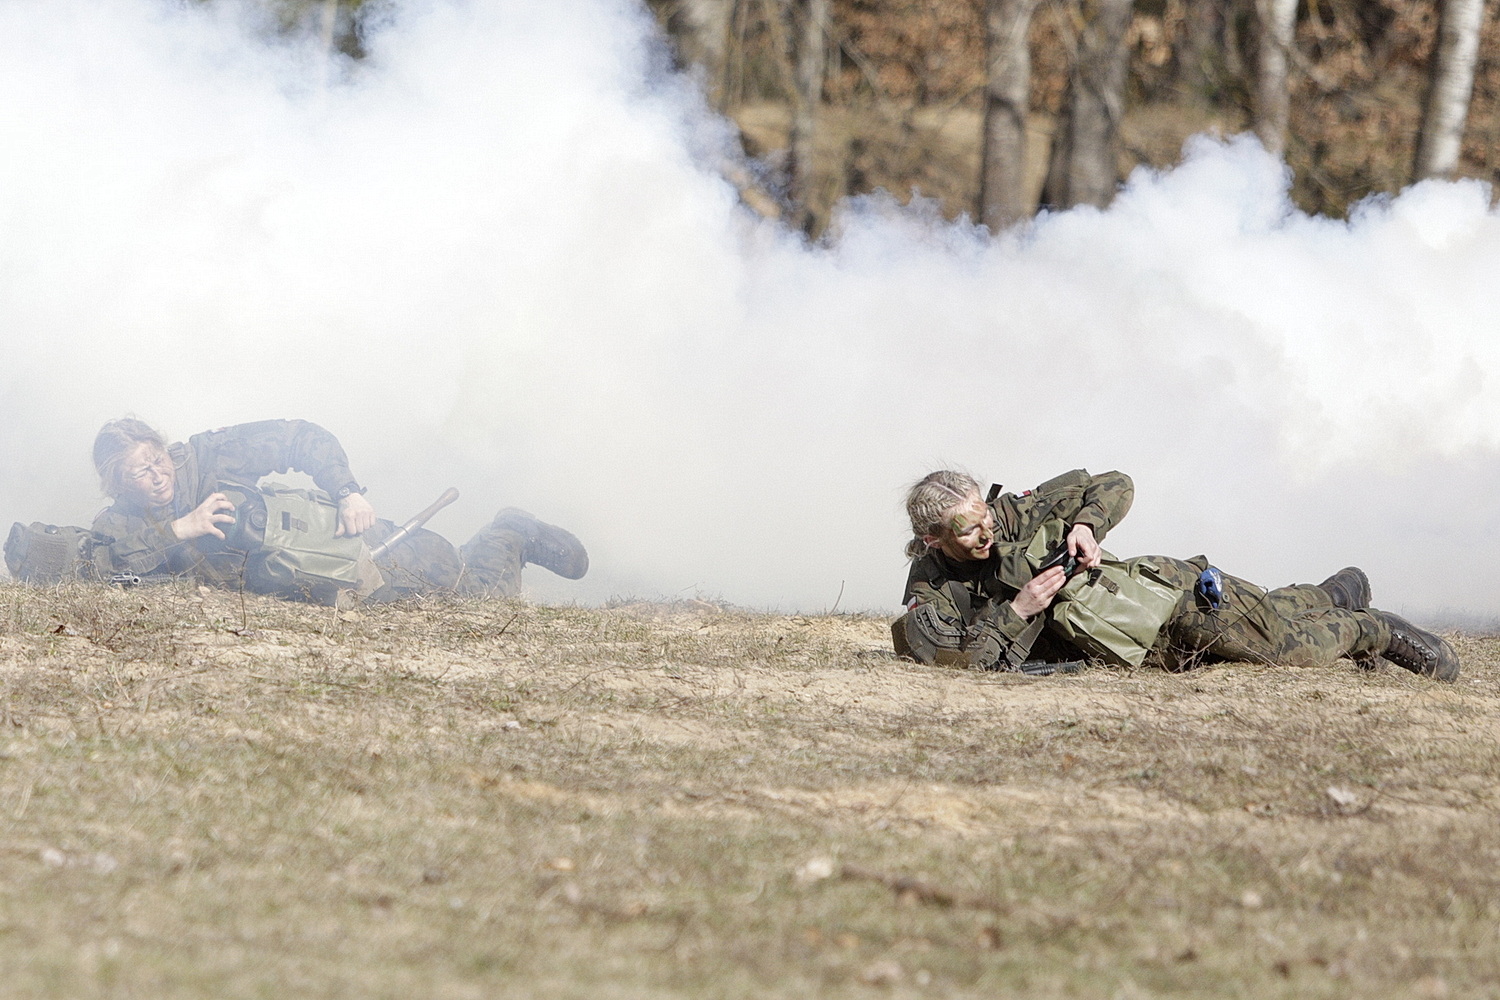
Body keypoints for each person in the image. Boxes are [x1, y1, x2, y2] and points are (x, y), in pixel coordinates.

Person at [892, 468, 1459, 682]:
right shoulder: (931, 593)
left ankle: (1372, 628)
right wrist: (1017, 612)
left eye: (985, 517)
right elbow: (954, 664)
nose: (987, 533)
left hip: (1165, 598)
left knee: (1290, 653)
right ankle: (1333, 592)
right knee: (1271, 616)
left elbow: (1114, 483)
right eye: (968, 531)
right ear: (933, 540)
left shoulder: (1015, 513)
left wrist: (1088, 526)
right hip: (1138, 645)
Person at [88, 417, 588, 602]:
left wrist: (348, 490)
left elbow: (301, 438)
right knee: (433, 594)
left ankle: (510, 534)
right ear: (118, 483)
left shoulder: (207, 457)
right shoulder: (121, 524)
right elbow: (100, 567)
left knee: (475, 593)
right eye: (140, 472)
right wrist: (181, 528)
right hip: (313, 586)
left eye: (157, 459)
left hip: (347, 541)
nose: (158, 476)